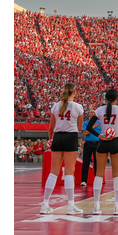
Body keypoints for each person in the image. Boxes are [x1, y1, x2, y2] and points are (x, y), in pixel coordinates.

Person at [40, 83, 85, 215]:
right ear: (74, 92)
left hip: (57, 138)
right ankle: (71, 205)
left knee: (53, 172)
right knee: (69, 171)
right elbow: (80, 126)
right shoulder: (78, 107)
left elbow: (51, 127)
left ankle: (45, 204)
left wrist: (51, 140)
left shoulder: (55, 106)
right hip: (71, 137)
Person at [88, 88, 118, 215]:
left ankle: (96, 206)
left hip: (103, 142)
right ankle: (117, 207)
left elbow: (89, 127)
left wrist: (99, 136)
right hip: (115, 142)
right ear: (117, 98)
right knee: (117, 174)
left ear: (106, 98)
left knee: (99, 174)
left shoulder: (99, 110)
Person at [80, 108, 100, 186]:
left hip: (97, 143)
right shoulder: (86, 123)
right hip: (88, 143)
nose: (92, 113)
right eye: (90, 112)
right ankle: (84, 180)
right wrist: (93, 127)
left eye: (93, 112)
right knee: (86, 162)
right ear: (88, 114)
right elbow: (85, 133)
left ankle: (97, 179)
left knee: (97, 162)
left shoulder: (100, 123)